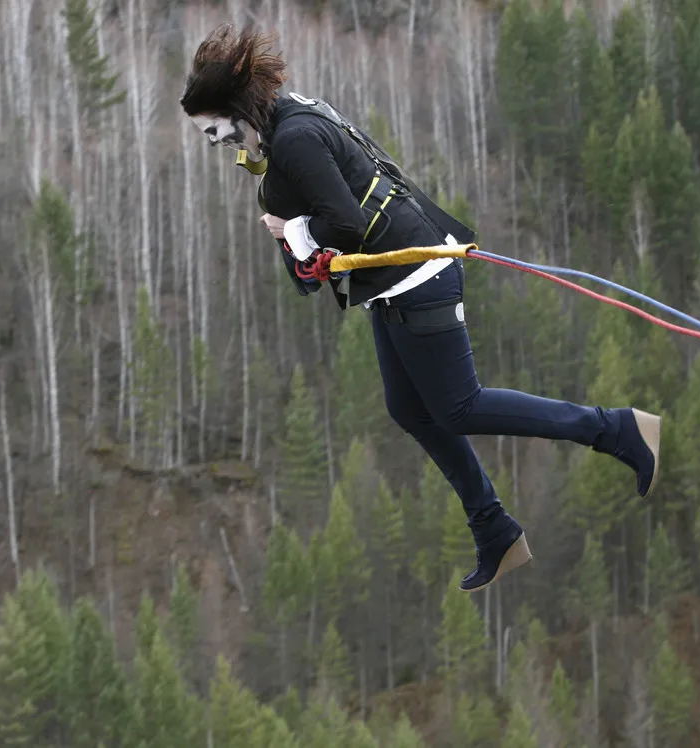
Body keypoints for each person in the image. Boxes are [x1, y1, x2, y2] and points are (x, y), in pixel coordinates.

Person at [179, 24, 661, 592]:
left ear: (237, 109)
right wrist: (296, 229)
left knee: (459, 408)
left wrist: (295, 230)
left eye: (217, 133)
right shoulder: (291, 120)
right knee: (410, 409)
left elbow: (346, 222)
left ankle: (617, 429)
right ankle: (495, 530)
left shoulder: (296, 137)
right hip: (395, 281)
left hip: (419, 277)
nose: (224, 147)